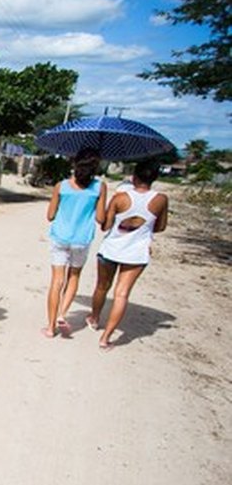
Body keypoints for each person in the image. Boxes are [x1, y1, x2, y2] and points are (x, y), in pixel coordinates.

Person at [87, 160, 168, 350]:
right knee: (122, 294)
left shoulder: (120, 198)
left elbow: (106, 226)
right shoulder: (161, 200)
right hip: (136, 253)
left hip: (111, 249)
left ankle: (94, 318)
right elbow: (161, 226)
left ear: (134, 177)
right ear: (154, 178)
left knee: (102, 287)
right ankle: (106, 338)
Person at [42, 148, 106, 338]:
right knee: (74, 276)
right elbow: (100, 218)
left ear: (75, 163)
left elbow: (50, 215)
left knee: (56, 280)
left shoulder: (61, 186)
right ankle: (62, 314)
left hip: (60, 237)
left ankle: (50, 328)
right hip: (81, 239)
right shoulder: (99, 187)